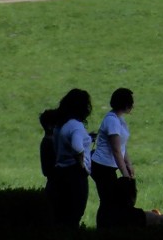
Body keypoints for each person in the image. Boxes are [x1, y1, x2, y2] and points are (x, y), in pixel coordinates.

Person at [91, 88, 135, 228]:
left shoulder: (119, 119)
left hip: (110, 167)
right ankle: (104, 228)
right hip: (102, 167)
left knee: (111, 200)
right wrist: (125, 175)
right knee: (108, 201)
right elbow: (116, 150)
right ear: (126, 105)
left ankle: (109, 227)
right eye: (131, 103)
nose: (132, 106)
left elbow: (122, 146)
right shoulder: (112, 121)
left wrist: (129, 163)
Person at [51, 89, 93, 229]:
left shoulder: (60, 125)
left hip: (60, 173)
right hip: (75, 175)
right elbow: (76, 146)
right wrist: (82, 165)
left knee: (61, 216)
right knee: (74, 214)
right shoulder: (76, 125)